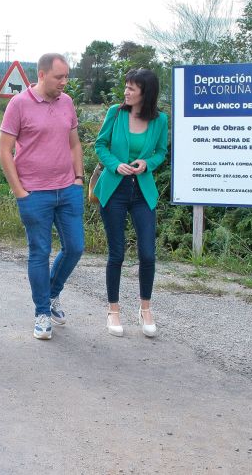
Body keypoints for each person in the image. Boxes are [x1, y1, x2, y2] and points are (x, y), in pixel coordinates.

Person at [0, 53, 85, 340]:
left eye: (66, 76)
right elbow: (4, 151)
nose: (65, 82)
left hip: (67, 190)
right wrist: (19, 191)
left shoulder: (67, 102)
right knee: (39, 253)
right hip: (34, 193)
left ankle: (52, 294)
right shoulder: (19, 104)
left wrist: (78, 179)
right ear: (43, 75)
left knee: (75, 247)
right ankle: (41, 313)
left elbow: (74, 144)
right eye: (60, 76)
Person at [93, 68, 168, 337]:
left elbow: (161, 152)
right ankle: (113, 310)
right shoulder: (116, 112)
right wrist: (115, 165)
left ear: (145, 93)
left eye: (132, 88)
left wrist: (148, 163)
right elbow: (100, 145)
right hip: (114, 190)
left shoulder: (160, 120)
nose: (126, 91)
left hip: (142, 192)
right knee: (117, 253)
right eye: (125, 86)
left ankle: (145, 308)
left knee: (147, 252)